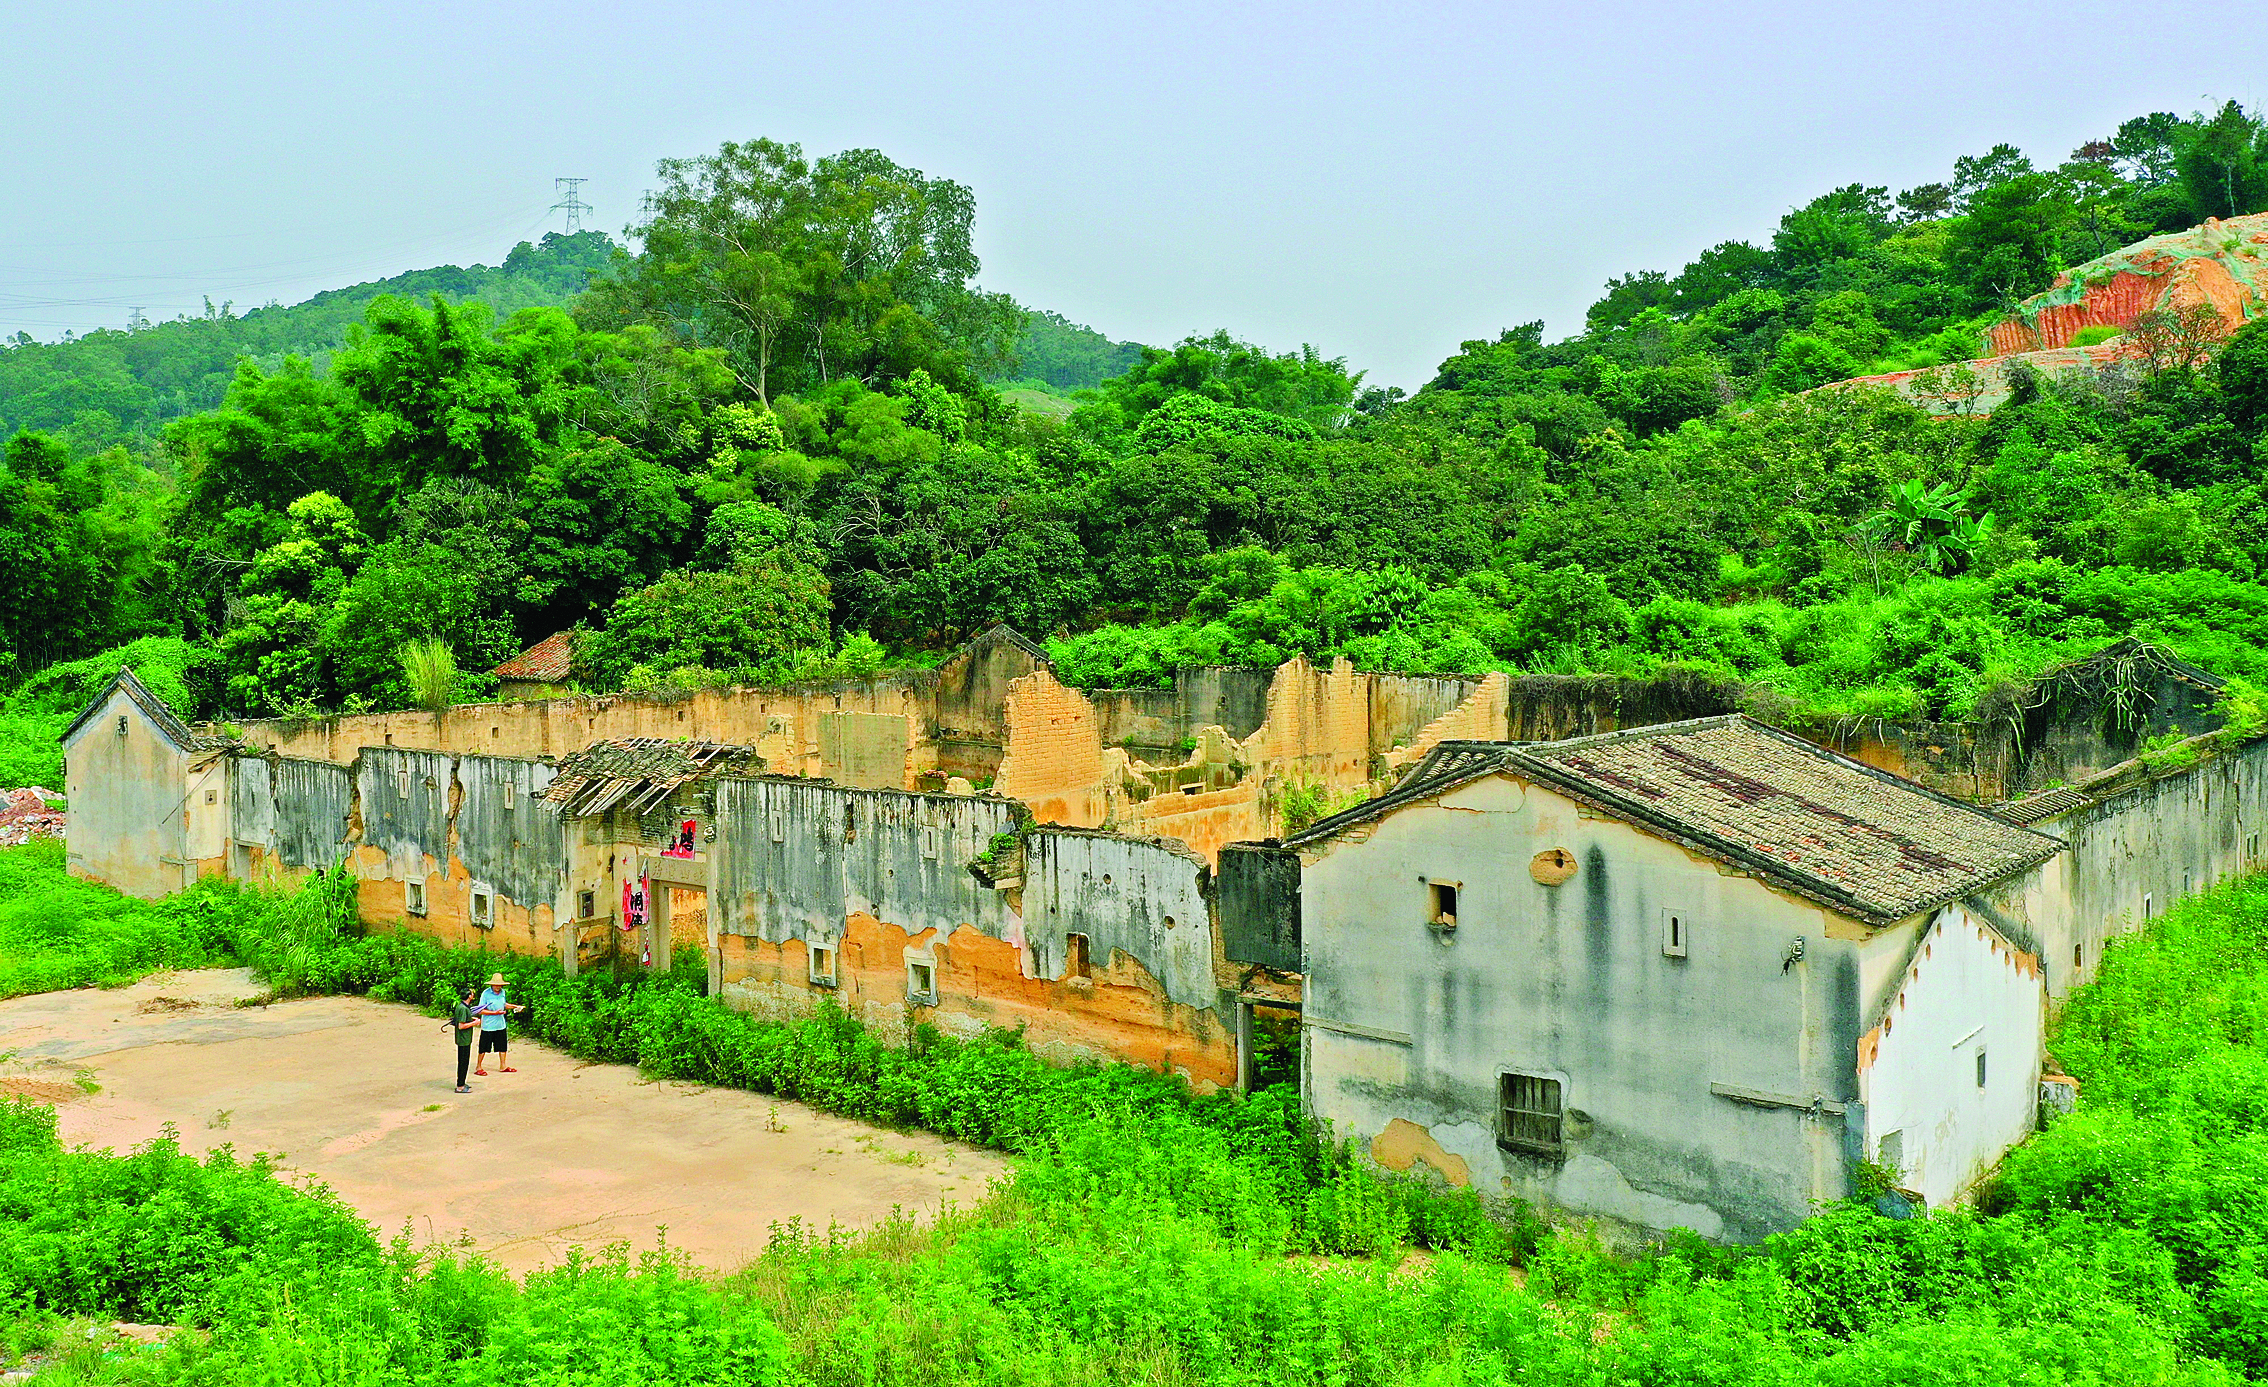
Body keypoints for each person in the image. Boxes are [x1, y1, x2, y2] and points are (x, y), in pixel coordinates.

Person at [474, 972, 524, 1075]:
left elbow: (503, 1004)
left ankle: (503, 1065)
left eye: (499, 985)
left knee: (502, 1046)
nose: (498, 987)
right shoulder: (486, 994)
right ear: (492, 985)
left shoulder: (503, 993)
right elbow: (480, 1010)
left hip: (500, 1024)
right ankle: (478, 1066)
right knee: (484, 1047)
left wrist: (515, 1006)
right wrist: (494, 1013)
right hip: (488, 1025)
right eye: (496, 985)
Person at [448, 984, 480, 1092]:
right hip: (463, 1039)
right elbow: (461, 1026)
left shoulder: (462, 1006)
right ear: (469, 996)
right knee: (463, 1062)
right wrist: (474, 1023)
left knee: (464, 1061)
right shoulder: (462, 1008)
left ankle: (462, 1082)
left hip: (464, 1039)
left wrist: (472, 1019)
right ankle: (460, 1086)